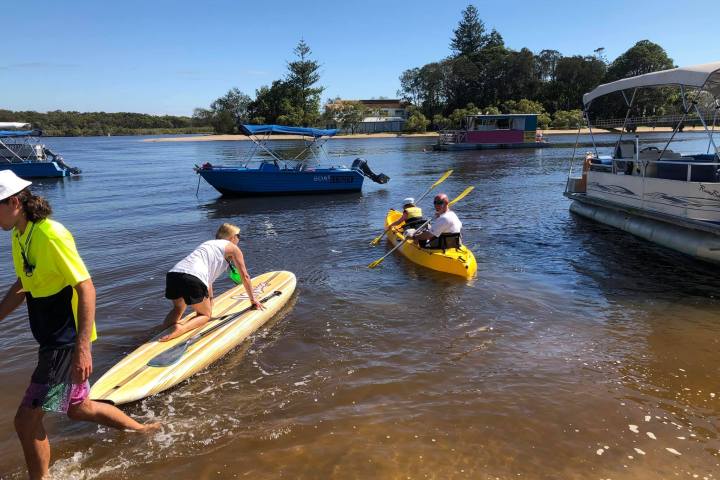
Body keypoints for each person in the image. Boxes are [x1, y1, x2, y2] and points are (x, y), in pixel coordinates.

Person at [0, 170, 159, 480]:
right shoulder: (19, 234)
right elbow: (24, 283)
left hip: (65, 343)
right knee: (77, 407)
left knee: (26, 421)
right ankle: (143, 430)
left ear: (14, 202)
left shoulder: (51, 234)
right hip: (51, 339)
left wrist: (82, 350)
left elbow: (86, 287)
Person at [161, 223, 264, 342]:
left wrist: (210, 299)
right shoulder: (233, 248)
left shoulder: (208, 244)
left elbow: (208, 279)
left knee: (178, 309)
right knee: (205, 315)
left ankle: (162, 331)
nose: (239, 239)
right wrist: (253, 300)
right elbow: (245, 276)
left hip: (174, 275)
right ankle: (180, 330)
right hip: (193, 278)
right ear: (232, 237)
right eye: (238, 236)